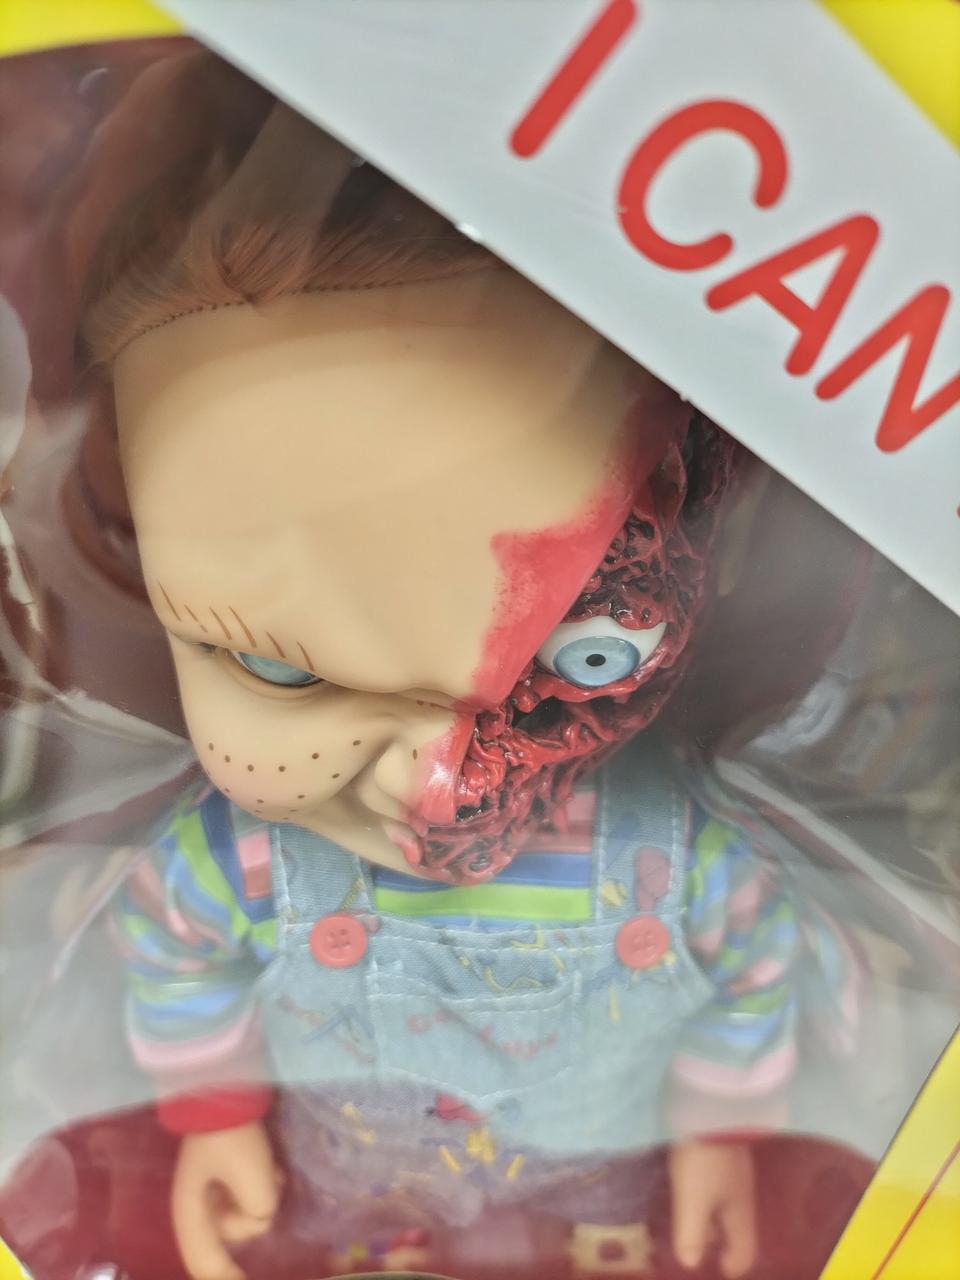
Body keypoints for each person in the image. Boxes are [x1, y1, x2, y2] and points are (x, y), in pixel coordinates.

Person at [82, 51, 856, 1280]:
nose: (443, 790)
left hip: (599, 1190)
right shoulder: (234, 863)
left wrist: (719, 1133)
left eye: (588, 654)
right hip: (351, 1198)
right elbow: (172, 948)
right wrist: (214, 1116)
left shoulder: (683, 852)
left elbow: (755, 970)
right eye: (278, 669)